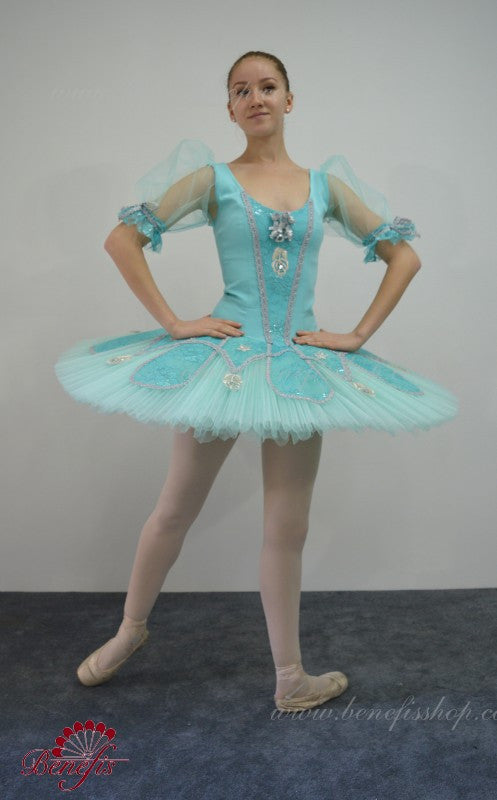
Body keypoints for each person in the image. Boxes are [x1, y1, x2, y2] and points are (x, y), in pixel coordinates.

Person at [54, 50, 458, 712]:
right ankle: (130, 630)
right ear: (230, 108)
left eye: (267, 86)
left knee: (286, 525)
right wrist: (173, 322)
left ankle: (290, 677)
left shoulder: (324, 187)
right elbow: (121, 240)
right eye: (241, 90)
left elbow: (404, 257)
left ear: (288, 99)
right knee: (175, 508)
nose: (255, 98)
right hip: (228, 363)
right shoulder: (212, 179)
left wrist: (357, 335)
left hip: (298, 367)